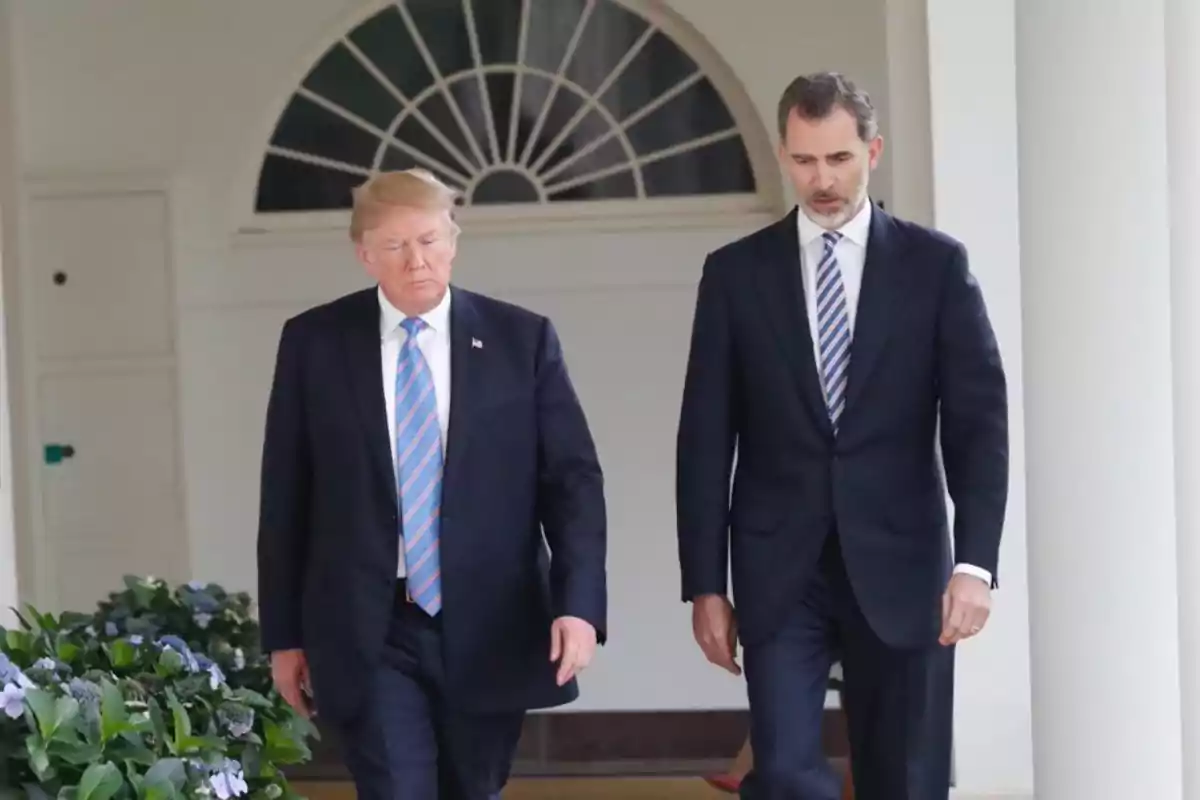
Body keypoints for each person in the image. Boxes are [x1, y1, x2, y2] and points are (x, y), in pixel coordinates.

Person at [676, 71, 1008, 799]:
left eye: (838, 159)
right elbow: (704, 436)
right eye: (803, 161)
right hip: (776, 567)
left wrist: (976, 565)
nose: (820, 180)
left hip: (905, 561)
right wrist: (704, 582)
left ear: (873, 151)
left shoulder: (935, 266)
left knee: (906, 779)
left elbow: (978, 422)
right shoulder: (734, 275)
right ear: (784, 153)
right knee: (789, 775)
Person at [256, 168, 608, 800]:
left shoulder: (519, 340)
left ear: (454, 240)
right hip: (370, 624)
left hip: (492, 618)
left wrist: (578, 605)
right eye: (394, 245)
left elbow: (573, 482)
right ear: (364, 253)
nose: (415, 260)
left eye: (428, 239)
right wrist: (284, 637)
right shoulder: (315, 343)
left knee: (474, 789)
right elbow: (286, 498)